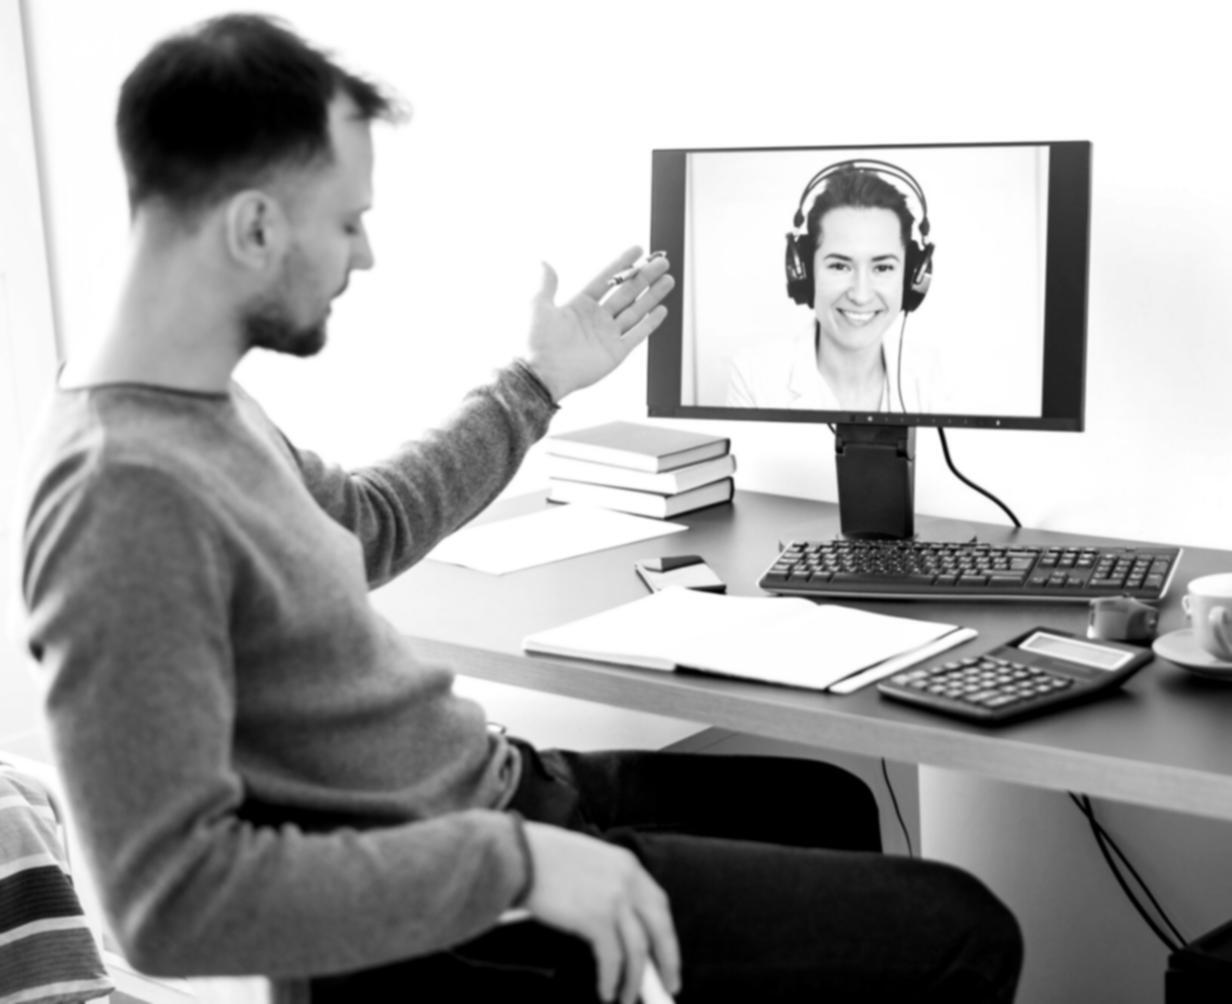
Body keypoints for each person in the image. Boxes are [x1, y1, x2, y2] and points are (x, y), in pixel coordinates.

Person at [15, 14, 1022, 1004]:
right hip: (463, 916)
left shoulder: (202, 402)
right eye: (349, 221)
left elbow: (364, 523)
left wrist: (537, 381)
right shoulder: (122, 495)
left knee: (827, 804)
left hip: (496, 791)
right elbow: (163, 901)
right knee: (965, 929)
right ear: (254, 226)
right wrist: (518, 864)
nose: (362, 257)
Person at [727, 163, 945, 413]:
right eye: (840, 266)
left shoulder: (931, 377)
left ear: (911, 279)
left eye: (883, 268)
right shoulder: (754, 379)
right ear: (805, 273)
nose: (861, 296)